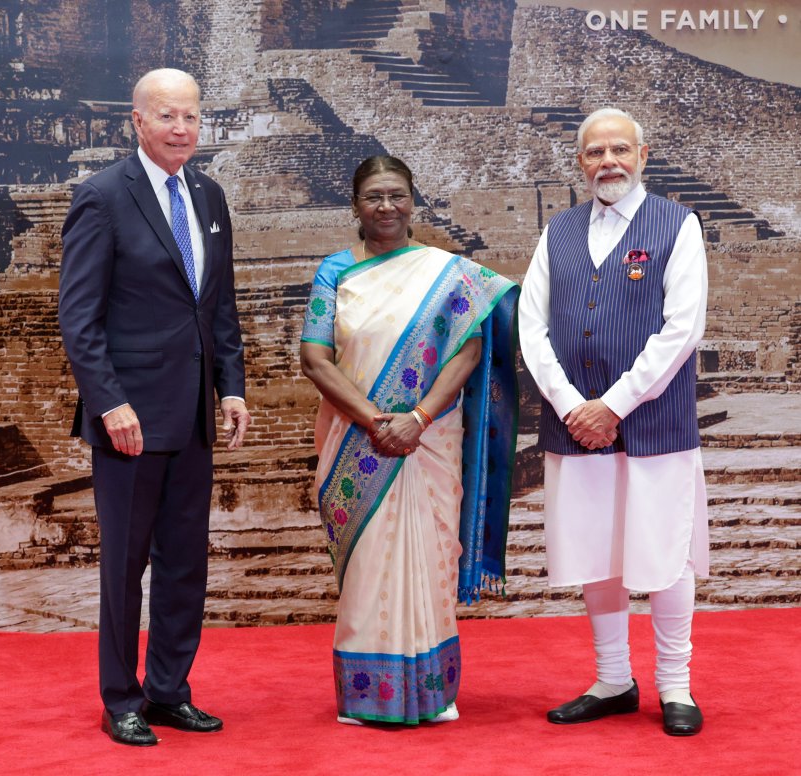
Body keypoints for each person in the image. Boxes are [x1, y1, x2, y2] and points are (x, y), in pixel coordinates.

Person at [58, 68, 250, 746]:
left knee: (184, 562)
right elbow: (78, 318)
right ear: (137, 121)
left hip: (195, 415)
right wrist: (109, 403)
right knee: (126, 564)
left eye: (192, 117)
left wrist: (232, 385)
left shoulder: (208, 193)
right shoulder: (103, 197)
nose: (181, 129)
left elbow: (218, 304)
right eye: (167, 116)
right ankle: (122, 699)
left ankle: (170, 690)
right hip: (130, 423)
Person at [300, 155, 519, 725]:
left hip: (429, 442)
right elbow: (315, 358)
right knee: (367, 568)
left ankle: (433, 693)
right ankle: (366, 697)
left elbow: (469, 351)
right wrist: (376, 421)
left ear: (413, 200)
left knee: (432, 561)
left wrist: (416, 418)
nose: (386, 206)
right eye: (374, 196)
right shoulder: (334, 273)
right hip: (357, 439)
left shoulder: (448, 275)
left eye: (397, 194)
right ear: (356, 206)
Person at [519, 108, 709, 736]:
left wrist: (614, 406)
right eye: (595, 152)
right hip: (577, 427)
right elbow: (531, 326)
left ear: (643, 154)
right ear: (580, 162)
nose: (609, 162)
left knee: (665, 553)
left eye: (620, 150)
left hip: (656, 425)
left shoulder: (678, 226)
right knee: (597, 551)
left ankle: (675, 686)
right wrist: (575, 406)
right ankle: (612, 679)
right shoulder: (560, 232)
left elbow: (682, 329)